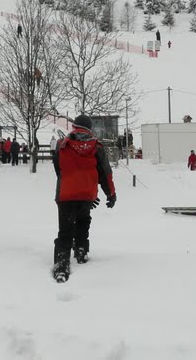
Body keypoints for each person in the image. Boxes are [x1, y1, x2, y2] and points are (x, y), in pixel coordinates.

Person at [52, 114, 116, 281]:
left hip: (65, 193)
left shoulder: (62, 144)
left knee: (65, 229)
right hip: (86, 193)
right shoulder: (97, 146)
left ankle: (61, 264)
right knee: (83, 221)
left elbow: (58, 168)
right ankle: (81, 251)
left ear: (74, 126)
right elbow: (105, 173)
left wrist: (67, 183)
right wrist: (111, 194)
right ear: (90, 128)